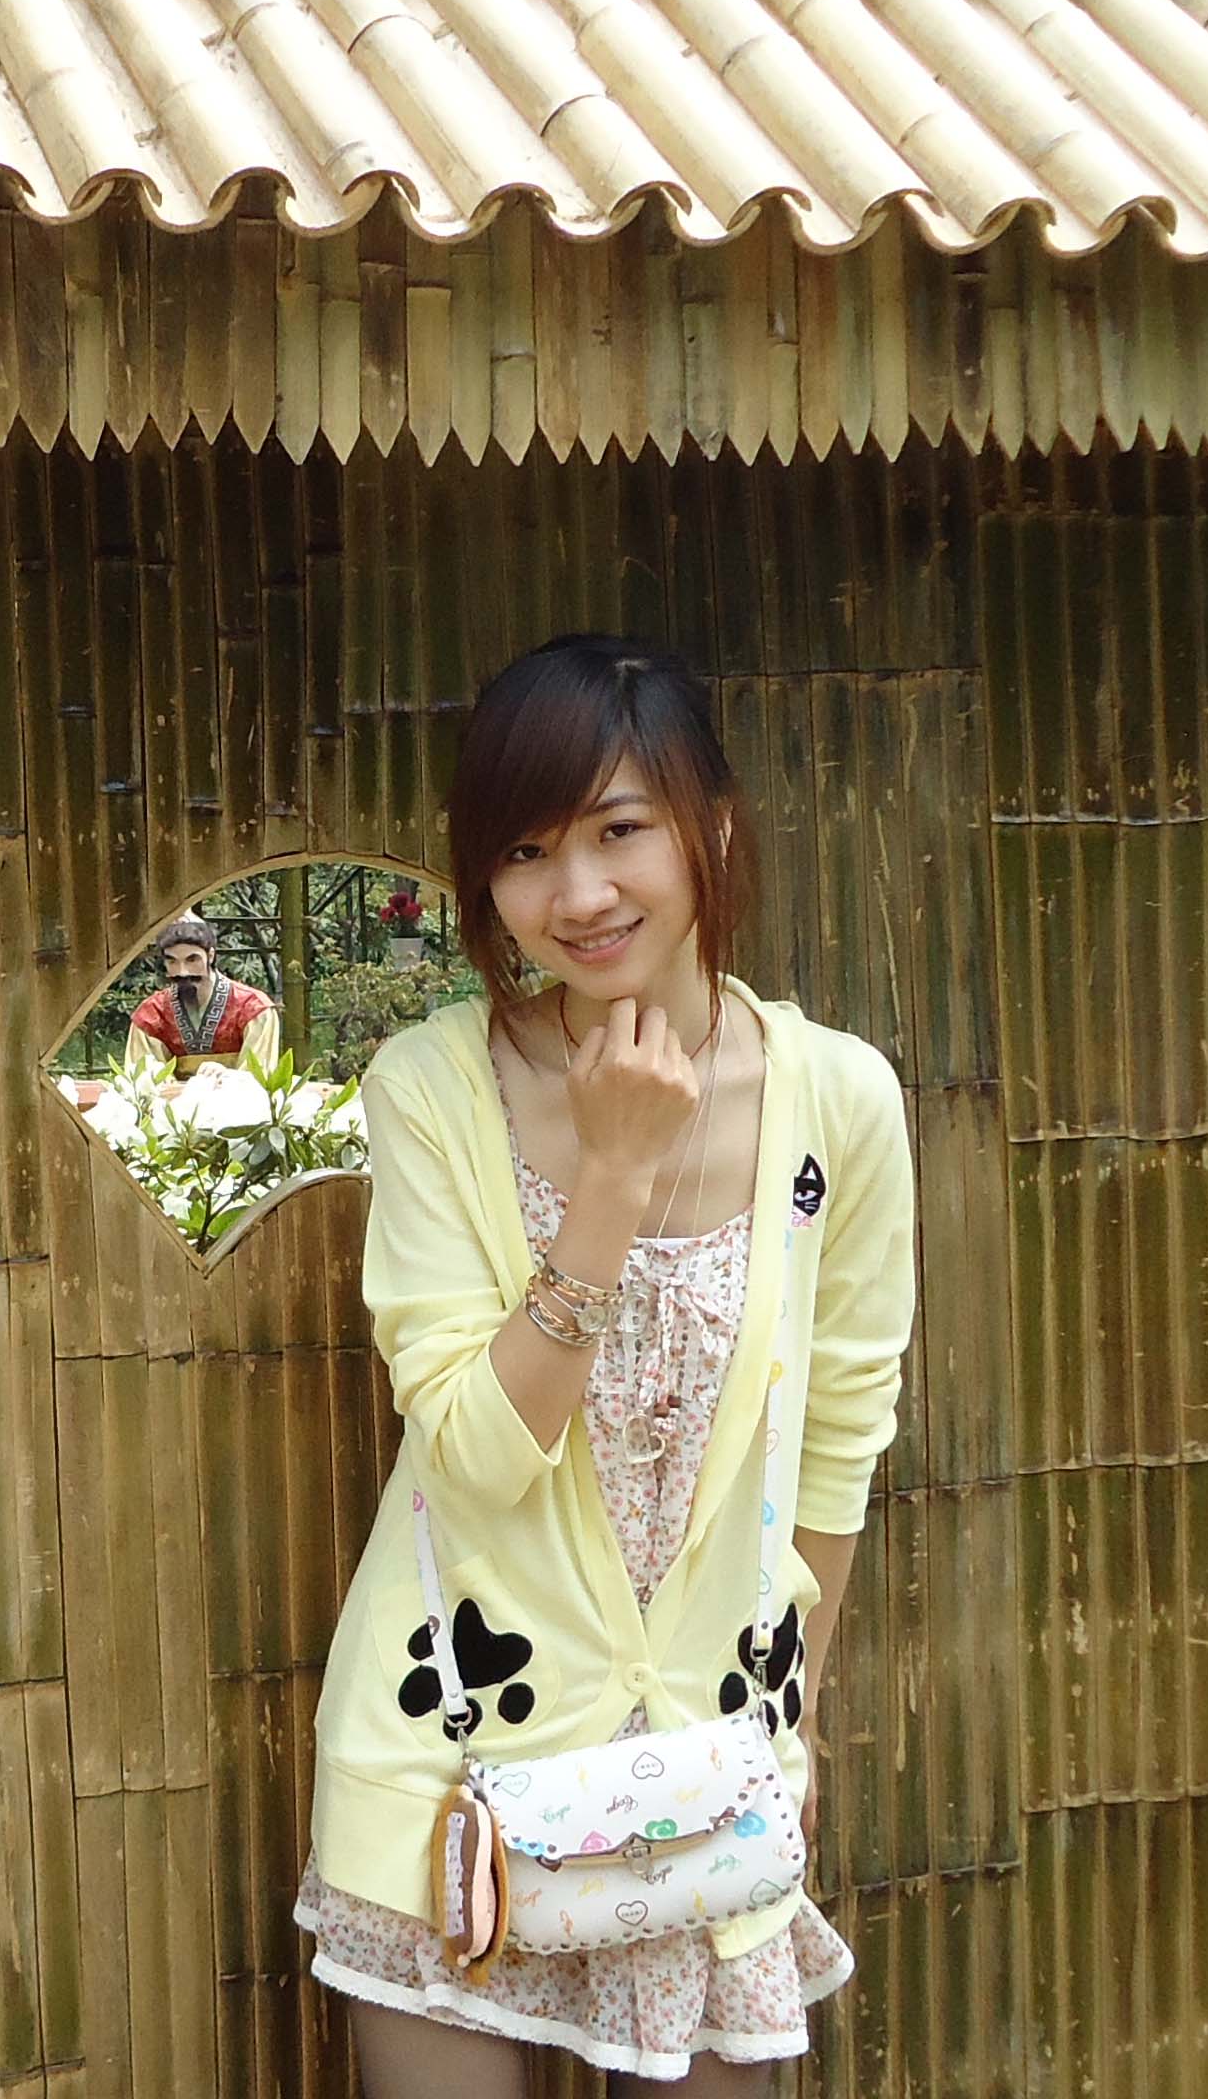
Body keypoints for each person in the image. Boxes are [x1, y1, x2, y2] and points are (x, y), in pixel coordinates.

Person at [294, 636, 917, 2092]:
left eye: (617, 830)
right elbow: (471, 1455)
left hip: (707, 1768)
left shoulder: (838, 1100)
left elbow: (838, 1439)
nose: (575, 895)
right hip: (447, 1772)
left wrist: (793, 1724)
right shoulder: (432, 1088)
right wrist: (615, 1176)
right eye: (524, 852)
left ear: (712, 827)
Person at [125, 914, 282, 1076]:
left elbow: (259, 1076)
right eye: (172, 961)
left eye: (192, 960)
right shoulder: (151, 1015)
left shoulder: (253, 1009)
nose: (182, 972)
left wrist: (226, 1076)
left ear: (210, 956)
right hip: (171, 1093)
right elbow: (144, 1080)